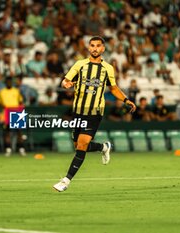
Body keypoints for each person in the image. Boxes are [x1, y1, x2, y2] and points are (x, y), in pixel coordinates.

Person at [53, 36, 136, 192]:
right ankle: (103, 147)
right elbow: (65, 81)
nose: (95, 48)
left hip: (94, 112)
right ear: (88, 48)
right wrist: (66, 84)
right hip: (78, 111)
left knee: (82, 145)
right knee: (78, 145)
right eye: (92, 46)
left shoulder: (108, 68)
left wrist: (126, 99)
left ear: (103, 49)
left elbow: (113, 88)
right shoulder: (80, 65)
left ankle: (66, 181)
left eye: (98, 46)